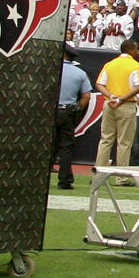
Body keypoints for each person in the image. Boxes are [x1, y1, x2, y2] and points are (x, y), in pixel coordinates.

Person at [94, 40, 139, 169]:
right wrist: (121, 99)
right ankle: (121, 176)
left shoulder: (110, 64)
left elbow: (99, 84)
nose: (137, 52)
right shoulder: (136, 66)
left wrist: (111, 96)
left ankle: (99, 172)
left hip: (109, 103)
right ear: (131, 50)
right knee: (124, 143)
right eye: (136, 49)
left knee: (105, 140)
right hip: (126, 105)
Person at [55, 55, 91, 189]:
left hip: (51, 110)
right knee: (66, 147)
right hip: (67, 112)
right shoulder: (80, 73)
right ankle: (64, 180)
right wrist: (77, 109)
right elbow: (86, 96)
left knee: (46, 146)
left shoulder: (53, 69)